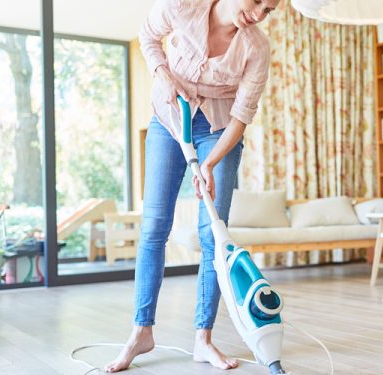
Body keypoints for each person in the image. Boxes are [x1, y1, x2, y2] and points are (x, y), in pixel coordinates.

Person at [106, 0, 279, 372]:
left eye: (269, 10)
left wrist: (211, 163)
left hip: (219, 131)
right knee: (154, 226)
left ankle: (203, 339)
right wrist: (162, 72)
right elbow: (148, 36)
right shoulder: (182, 5)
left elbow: (241, 117)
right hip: (169, 120)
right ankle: (141, 331)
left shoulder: (257, 47)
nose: (259, 12)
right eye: (258, 1)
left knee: (212, 235)